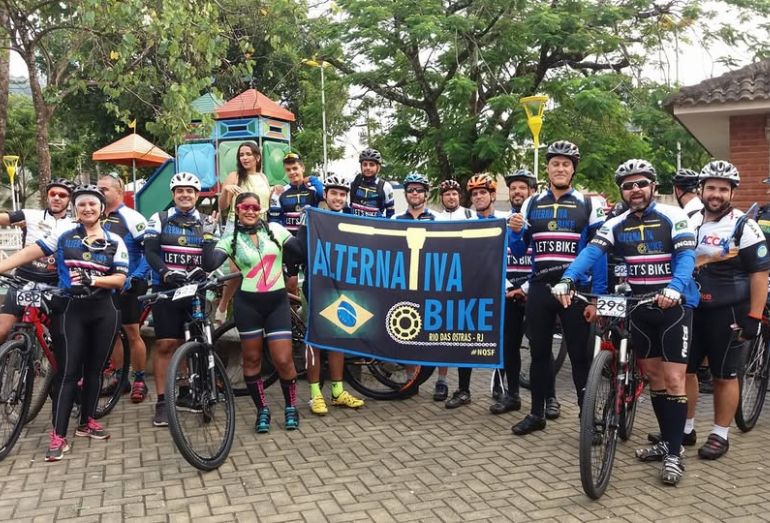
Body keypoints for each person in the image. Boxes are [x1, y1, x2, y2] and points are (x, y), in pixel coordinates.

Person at [551, 159, 699, 486]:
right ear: (622, 191)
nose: (635, 190)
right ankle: (665, 441)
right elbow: (592, 253)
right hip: (640, 306)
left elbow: (687, 256)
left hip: (674, 306)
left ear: (653, 186)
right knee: (654, 377)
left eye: (641, 184)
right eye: (629, 185)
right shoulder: (615, 223)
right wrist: (568, 278)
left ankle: (674, 452)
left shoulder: (674, 216)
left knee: (674, 379)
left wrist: (675, 287)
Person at [0, 185, 128, 461]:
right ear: (76, 209)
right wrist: (3, 266)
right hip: (71, 310)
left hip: (105, 310)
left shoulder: (115, 240)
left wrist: (94, 280)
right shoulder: (64, 235)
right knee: (68, 372)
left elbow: (120, 279)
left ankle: (87, 421)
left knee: (94, 371)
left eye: (93, 204)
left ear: (102, 209)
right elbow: (31, 252)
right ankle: (58, 436)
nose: (87, 209)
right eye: (81, 205)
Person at [508, 140, 606, 435]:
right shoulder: (532, 203)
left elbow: (599, 252)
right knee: (538, 355)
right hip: (539, 288)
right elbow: (519, 248)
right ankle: (537, 413)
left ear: (573, 169)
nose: (560, 168)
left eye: (566, 164)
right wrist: (515, 232)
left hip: (574, 290)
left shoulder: (589, 204)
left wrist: (597, 296)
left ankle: (588, 420)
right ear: (548, 169)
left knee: (579, 357)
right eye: (555, 164)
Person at [686, 161, 769, 460]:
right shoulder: (690, 219)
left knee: (724, 375)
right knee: (686, 370)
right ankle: (686, 428)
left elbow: (759, 273)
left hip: (729, 311)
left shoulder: (744, 226)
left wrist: (754, 317)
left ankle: (720, 434)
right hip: (693, 308)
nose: (716, 194)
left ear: (732, 192)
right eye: (711, 188)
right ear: (701, 190)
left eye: (723, 189)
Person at [203, 192, 302, 432]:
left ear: (260, 209)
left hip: (276, 302)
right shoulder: (231, 239)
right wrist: (207, 234)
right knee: (252, 359)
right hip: (248, 304)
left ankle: (291, 406)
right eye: (244, 207)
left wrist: (303, 230)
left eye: (254, 207)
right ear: (237, 210)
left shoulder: (275, 230)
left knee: (283, 359)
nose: (250, 210)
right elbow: (209, 264)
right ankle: (262, 410)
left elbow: (299, 252)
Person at [144, 172, 217, 427]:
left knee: (195, 341)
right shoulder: (160, 218)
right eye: (179, 191)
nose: (185, 195)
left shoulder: (207, 221)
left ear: (197, 195)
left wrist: (206, 272)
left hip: (195, 290)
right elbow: (150, 251)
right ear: (173, 195)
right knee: (166, 344)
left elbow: (212, 256)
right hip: (167, 289)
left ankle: (188, 392)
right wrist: (165, 272)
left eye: (190, 191)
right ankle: (163, 401)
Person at [295, 175, 366, 415]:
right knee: (315, 338)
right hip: (316, 284)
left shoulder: (349, 218)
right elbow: (300, 247)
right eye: (334, 193)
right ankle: (315, 394)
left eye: (342, 194)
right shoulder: (311, 215)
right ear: (325, 195)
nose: (338, 198)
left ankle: (337, 391)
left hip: (340, 285)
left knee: (338, 336)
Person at [443, 173, 508, 409]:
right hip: (470, 287)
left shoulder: (505, 219)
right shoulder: (466, 219)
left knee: (501, 340)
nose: (479, 197)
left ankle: (500, 387)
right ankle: (463, 390)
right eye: (475, 194)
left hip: (499, 288)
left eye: (483, 192)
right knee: (466, 339)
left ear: (492, 195)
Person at [97, 173, 151, 403]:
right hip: (104, 284)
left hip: (130, 284)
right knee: (114, 333)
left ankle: (139, 380)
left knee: (131, 332)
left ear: (119, 191)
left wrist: (136, 276)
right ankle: (121, 379)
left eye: (104, 189)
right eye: (98, 188)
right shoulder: (95, 216)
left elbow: (150, 250)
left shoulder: (131, 216)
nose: (99, 193)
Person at [0, 178, 74, 342]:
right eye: (52, 193)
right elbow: (4, 218)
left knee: (60, 337)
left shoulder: (75, 225)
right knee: (2, 330)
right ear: (47, 196)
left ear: (70, 199)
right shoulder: (31, 215)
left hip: (53, 287)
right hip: (22, 282)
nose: (56, 197)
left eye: (62, 195)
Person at [489, 169, 538, 415]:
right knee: (509, 346)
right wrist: (509, 287)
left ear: (532, 191)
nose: (517, 192)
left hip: (534, 289)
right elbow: (493, 258)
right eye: (513, 188)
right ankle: (513, 395)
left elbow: (547, 259)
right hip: (508, 291)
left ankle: (548, 399)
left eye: (522, 187)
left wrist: (527, 288)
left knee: (540, 347)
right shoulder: (500, 222)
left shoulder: (538, 221)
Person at [216, 141, 271, 324]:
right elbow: (222, 206)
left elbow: (265, 204)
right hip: (236, 224)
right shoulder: (235, 176)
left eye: (248, 154)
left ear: (257, 156)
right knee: (235, 269)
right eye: (241, 155)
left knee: (258, 269)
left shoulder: (263, 177)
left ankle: (251, 309)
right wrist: (225, 191)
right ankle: (223, 305)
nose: (244, 158)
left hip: (260, 225)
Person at [431, 179, 474, 400]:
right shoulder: (435, 218)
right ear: (442, 198)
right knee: (442, 333)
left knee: (464, 335)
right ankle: (442, 382)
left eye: (455, 194)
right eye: (447, 194)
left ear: (460, 197)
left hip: (466, 281)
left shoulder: (470, 215)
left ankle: (465, 387)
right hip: (443, 281)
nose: (451, 197)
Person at [350, 148, 395, 218]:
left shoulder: (385, 187)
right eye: (365, 164)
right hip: (354, 226)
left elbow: (391, 214)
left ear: (378, 167)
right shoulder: (354, 184)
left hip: (376, 227)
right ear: (361, 166)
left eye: (371, 165)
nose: (368, 167)